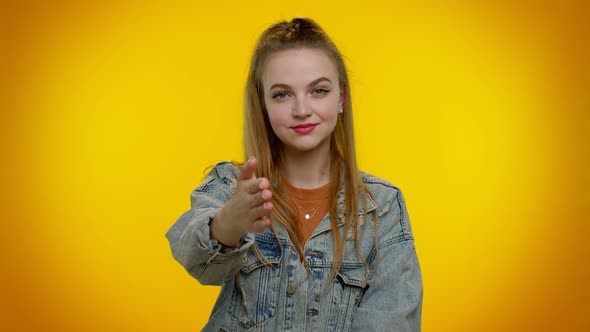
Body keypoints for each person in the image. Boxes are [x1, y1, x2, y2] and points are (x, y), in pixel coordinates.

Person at [166, 17, 423, 331]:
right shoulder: (232, 185)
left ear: (340, 98)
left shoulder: (382, 206)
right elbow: (196, 261)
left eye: (318, 90)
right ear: (262, 104)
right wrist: (227, 224)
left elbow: (392, 321)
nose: (302, 109)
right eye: (282, 95)